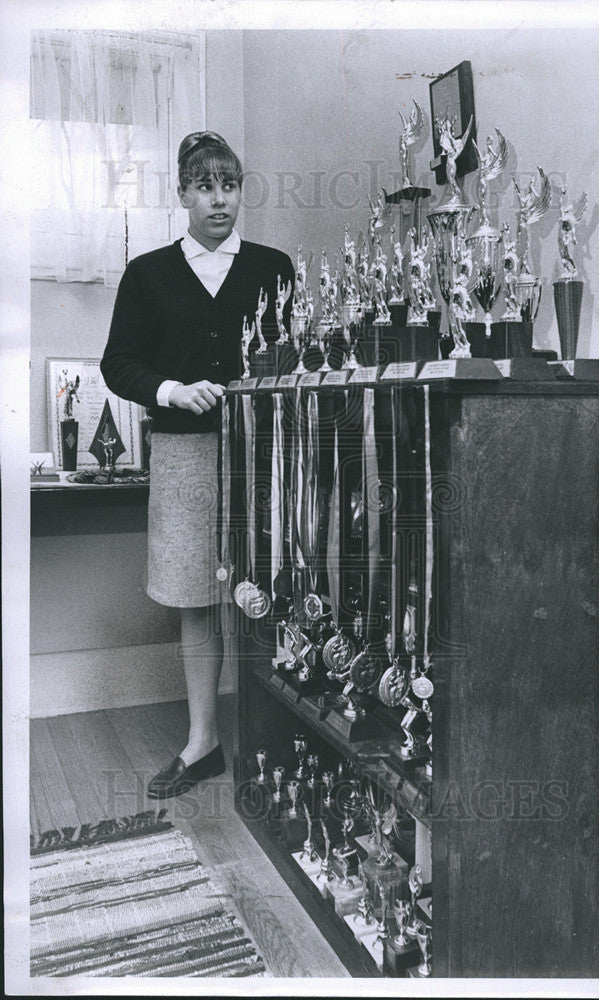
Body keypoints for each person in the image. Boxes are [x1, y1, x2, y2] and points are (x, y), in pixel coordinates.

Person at [101, 131, 294, 798]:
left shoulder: (274, 267)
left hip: (262, 454)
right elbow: (118, 362)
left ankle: (278, 743)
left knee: (270, 589)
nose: (219, 199)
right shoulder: (148, 274)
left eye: (230, 185)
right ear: (182, 194)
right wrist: (170, 391)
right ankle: (203, 741)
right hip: (184, 454)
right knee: (195, 598)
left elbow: (296, 358)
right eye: (205, 186)